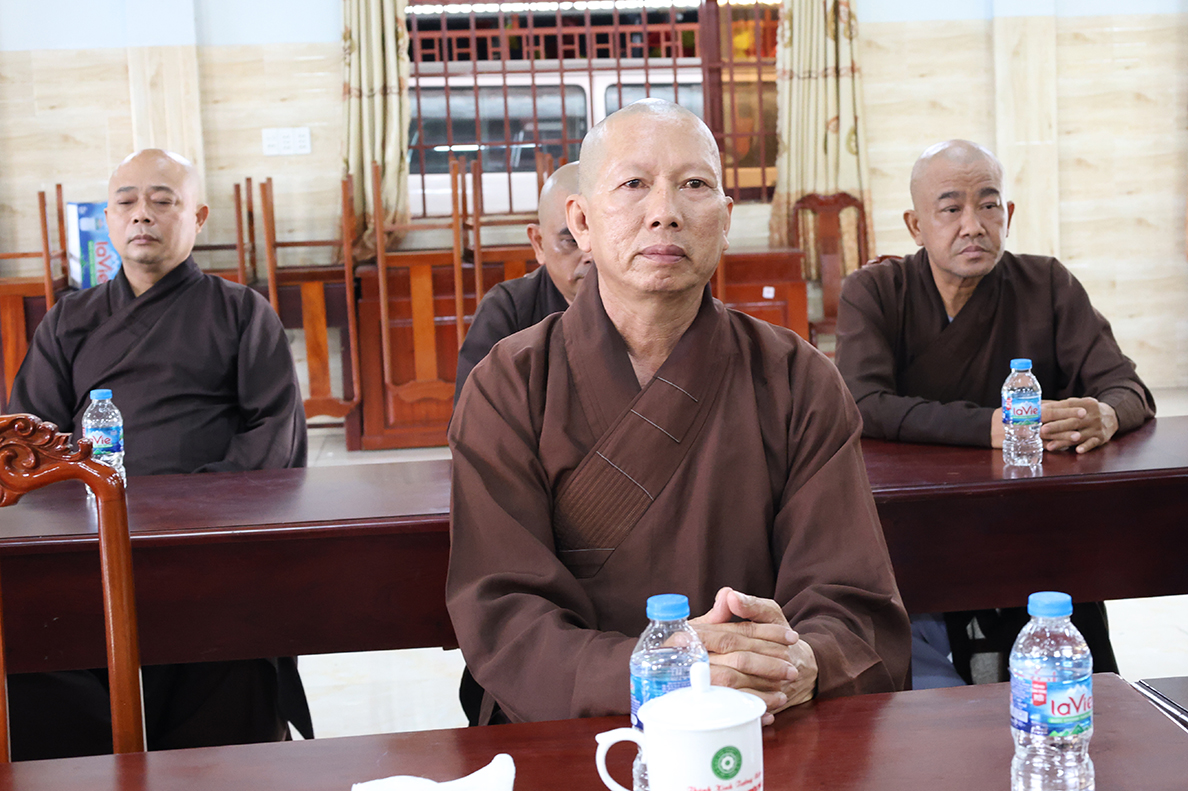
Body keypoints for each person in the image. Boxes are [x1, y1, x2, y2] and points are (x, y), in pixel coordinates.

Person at [447, 99, 910, 726]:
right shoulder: (510, 385)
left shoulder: (797, 379)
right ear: (581, 222)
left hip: (759, 720)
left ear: (725, 219)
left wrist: (803, 662)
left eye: (694, 185)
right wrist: (662, 672)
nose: (664, 212)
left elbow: (850, 597)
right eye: (633, 184)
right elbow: (503, 615)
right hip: (575, 729)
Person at [6, 149, 312, 759]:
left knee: (229, 668)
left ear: (197, 217)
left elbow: (274, 432)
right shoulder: (69, 320)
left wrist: (183, 507)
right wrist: (93, 511)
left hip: (207, 543)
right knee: (39, 646)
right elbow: (28, 442)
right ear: (108, 219)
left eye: (163, 200)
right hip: (90, 541)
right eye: (126, 202)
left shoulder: (241, 311)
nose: (141, 214)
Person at [834, 139, 1156, 688]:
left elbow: (1129, 388)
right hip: (917, 521)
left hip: (1036, 519)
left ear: (1007, 214)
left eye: (987, 205)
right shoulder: (876, 291)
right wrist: (991, 427)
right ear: (916, 225)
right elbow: (861, 401)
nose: (973, 225)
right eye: (951, 208)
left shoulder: (1047, 284)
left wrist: (1105, 414)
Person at [453, 162, 592, 400]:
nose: (590, 254)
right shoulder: (508, 310)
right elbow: (475, 415)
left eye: (602, 238)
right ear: (538, 243)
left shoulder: (650, 303)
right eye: (572, 241)